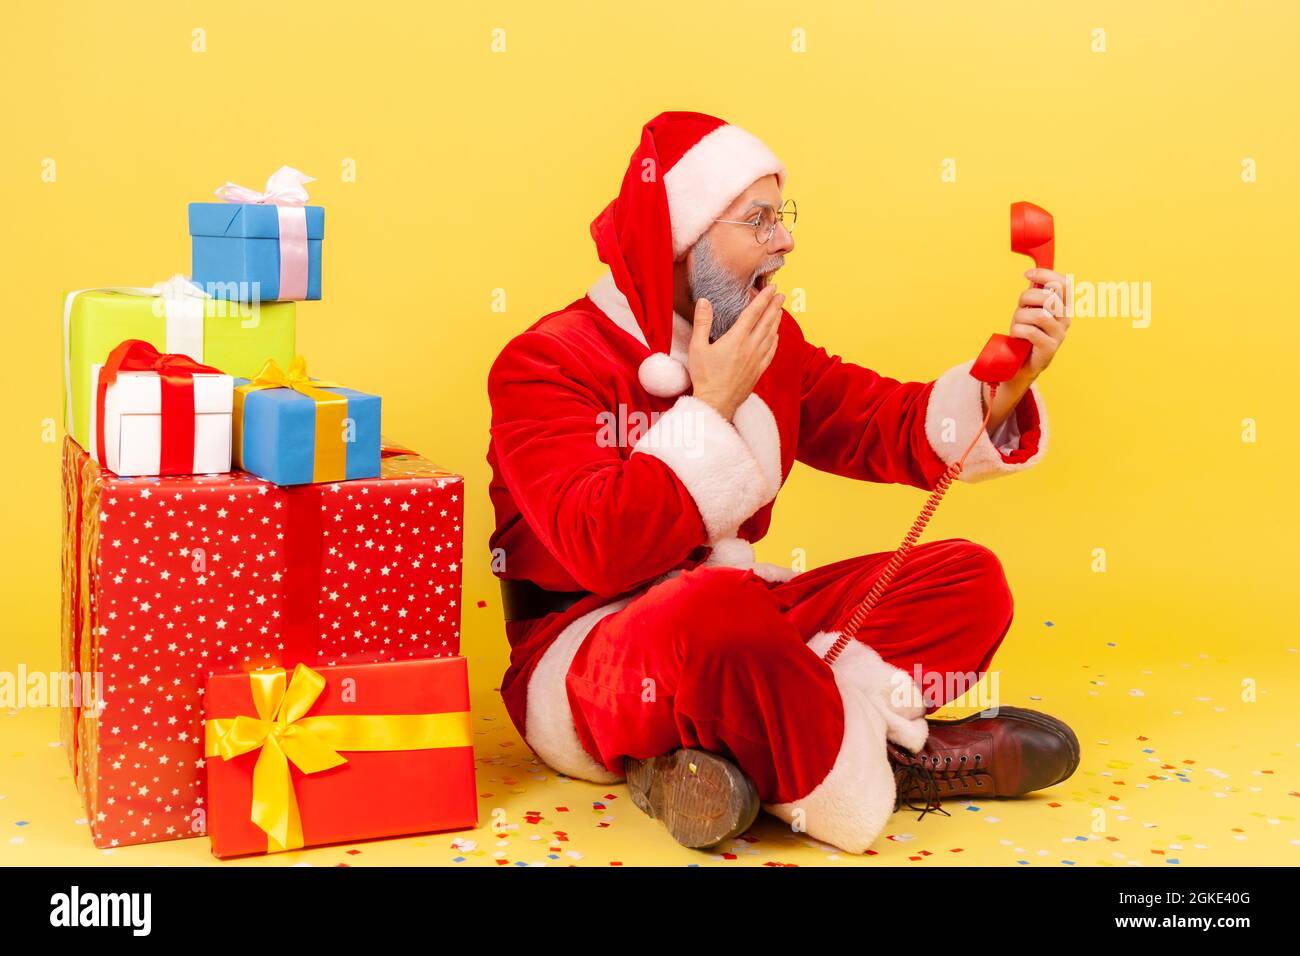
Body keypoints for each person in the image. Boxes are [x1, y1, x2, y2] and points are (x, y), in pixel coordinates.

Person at [485, 111, 1078, 854]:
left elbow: (880, 424)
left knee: (968, 580)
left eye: (783, 217)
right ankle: (890, 767)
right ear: (683, 238)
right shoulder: (546, 360)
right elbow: (597, 547)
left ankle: (712, 768)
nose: (786, 240)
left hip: (740, 619)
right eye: (759, 220)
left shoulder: (767, 339)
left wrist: (1007, 385)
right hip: (589, 653)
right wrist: (712, 406)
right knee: (718, 613)